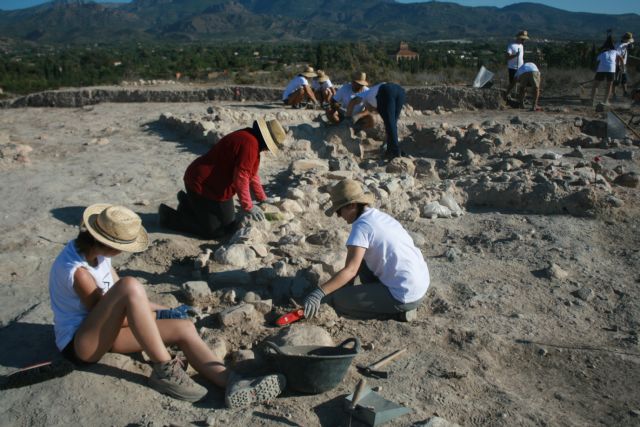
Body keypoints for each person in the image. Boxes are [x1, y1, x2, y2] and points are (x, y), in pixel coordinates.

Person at [49, 204, 285, 406]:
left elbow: (123, 301)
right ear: (109, 243)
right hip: (81, 345)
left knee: (183, 327)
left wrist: (166, 312)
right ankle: (164, 369)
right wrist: (155, 318)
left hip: (105, 333)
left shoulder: (97, 252)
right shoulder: (79, 273)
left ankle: (231, 382)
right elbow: (115, 315)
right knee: (130, 285)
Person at [302, 179, 429, 321]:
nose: (339, 216)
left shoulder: (361, 228)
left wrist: (318, 293)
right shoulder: (380, 217)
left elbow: (350, 270)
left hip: (404, 295)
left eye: (339, 210)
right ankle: (381, 298)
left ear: (352, 205)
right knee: (361, 260)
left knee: (339, 301)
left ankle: (397, 312)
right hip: (420, 284)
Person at [159, 118, 287, 239]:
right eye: (269, 146)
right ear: (266, 140)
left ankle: (188, 202)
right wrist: (248, 206)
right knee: (214, 231)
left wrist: (262, 198)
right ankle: (169, 216)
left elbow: (251, 175)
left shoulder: (250, 137)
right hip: (202, 183)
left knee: (228, 225)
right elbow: (241, 177)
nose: (267, 150)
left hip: (217, 186)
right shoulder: (250, 144)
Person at [346, 82, 406, 159]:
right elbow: (372, 110)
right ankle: (391, 150)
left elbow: (352, 101)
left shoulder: (364, 95)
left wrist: (347, 119)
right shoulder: (373, 98)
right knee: (392, 123)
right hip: (400, 90)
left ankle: (395, 151)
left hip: (385, 90)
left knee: (390, 123)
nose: (371, 111)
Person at [591, 35, 623, 106]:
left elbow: (597, 60)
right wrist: (622, 67)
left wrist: (596, 69)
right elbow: (621, 59)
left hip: (601, 69)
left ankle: (592, 101)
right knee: (609, 85)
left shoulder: (602, 52)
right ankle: (605, 101)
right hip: (611, 69)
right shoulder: (615, 51)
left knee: (596, 85)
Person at [504, 30, 529, 99]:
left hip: (521, 68)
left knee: (523, 83)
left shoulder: (521, 46)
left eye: (524, 39)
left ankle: (521, 98)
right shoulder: (511, 46)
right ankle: (506, 95)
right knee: (512, 83)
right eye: (522, 39)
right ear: (518, 38)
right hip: (513, 68)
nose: (524, 41)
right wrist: (515, 55)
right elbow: (507, 57)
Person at [614, 32, 634, 98]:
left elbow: (632, 40)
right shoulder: (618, 46)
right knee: (616, 80)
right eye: (628, 40)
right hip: (617, 64)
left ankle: (625, 93)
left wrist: (630, 43)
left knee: (624, 79)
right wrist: (619, 66)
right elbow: (617, 57)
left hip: (623, 64)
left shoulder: (627, 42)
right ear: (625, 39)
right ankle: (614, 94)